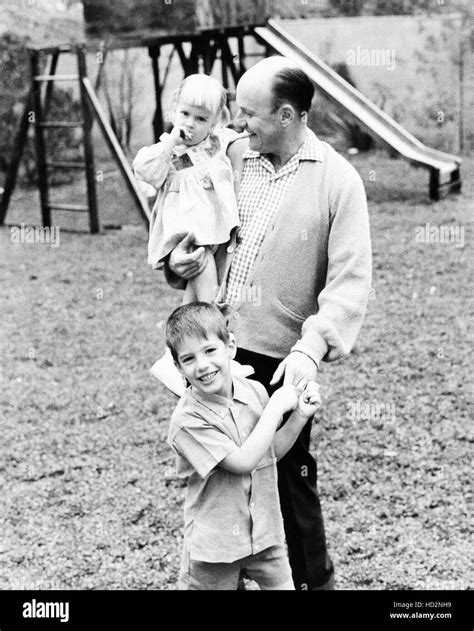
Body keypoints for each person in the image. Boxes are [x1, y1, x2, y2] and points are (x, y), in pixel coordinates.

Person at [165, 56, 372, 590]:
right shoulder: (230, 156)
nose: (237, 122)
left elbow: (350, 283)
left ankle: (310, 583)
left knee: (286, 476)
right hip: (211, 347)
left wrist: (311, 348)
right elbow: (189, 226)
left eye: (249, 113)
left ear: (286, 115)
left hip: (280, 358)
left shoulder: (338, 182)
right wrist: (177, 263)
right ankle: (220, 576)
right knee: (213, 477)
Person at [165, 302, 322, 590]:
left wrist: (299, 415)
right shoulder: (187, 421)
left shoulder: (255, 391)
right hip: (215, 550)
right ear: (178, 367)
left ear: (231, 347)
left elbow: (269, 453)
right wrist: (275, 409)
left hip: (265, 537)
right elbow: (242, 461)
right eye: (188, 359)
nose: (202, 365)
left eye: (210, 350)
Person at [133, 74, 244, 392]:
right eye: (184, 114)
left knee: (192, 301)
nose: (190, 124)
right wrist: (170, 141)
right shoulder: (166, 153)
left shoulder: (218, 141)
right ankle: (218, 345)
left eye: (200, 118)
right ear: (173, 110)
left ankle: (173, 359)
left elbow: (241, 138)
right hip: (186, 235)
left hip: (211, 233)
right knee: (208, 293)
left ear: (215, 121)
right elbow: (146, 172)